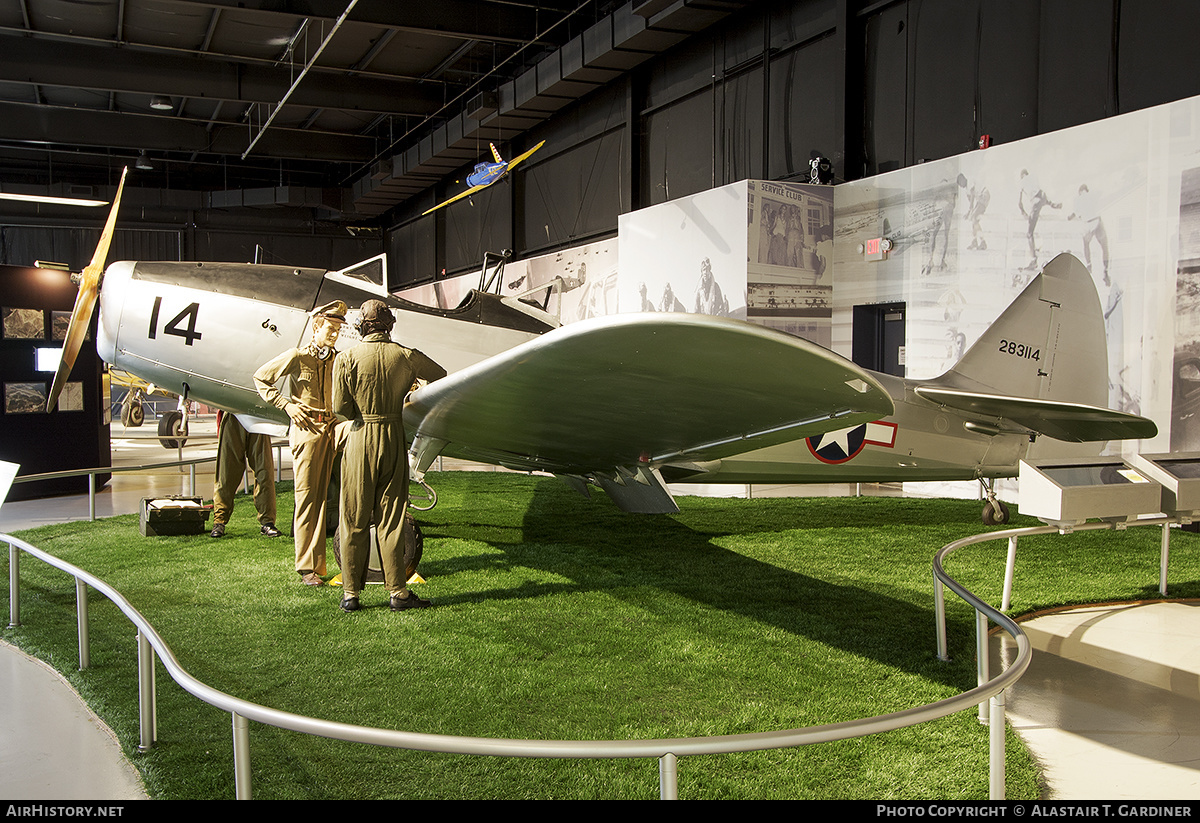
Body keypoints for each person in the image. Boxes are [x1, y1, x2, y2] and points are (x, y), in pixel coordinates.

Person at [333, 299, 446, 613]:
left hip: (358, 439)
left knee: (353, 518)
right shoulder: (405, 355)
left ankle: (351, 594)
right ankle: (398, 592)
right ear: (389, 325)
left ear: (361, 326)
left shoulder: (346, 358)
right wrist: (409, 393)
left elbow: (340, 409)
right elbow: (440, 375)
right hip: (393, 437)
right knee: (392, 518)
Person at [253, 301, 347, 587]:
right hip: (306, 431)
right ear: (316, 326)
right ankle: (309, 568)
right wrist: (286, 405)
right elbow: (261, 378)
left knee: (363, 435)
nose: (334, 334)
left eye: (338, 330)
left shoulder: (338, 359)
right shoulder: (297, 356)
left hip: (332, 426)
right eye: (330, 328)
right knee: (309, 499)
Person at [209, 410, 280, 538]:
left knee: (264, 471)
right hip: (232, 411)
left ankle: (267, 522)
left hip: (256, 413)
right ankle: (219, 521)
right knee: (226, 472)